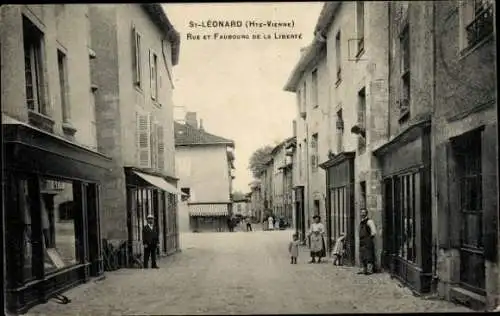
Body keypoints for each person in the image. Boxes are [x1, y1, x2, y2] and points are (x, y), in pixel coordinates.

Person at [358, 208, 377, 275]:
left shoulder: (369, 221)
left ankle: (369, 270)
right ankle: (363, 269)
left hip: (368, 240)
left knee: (369, 255)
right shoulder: (361, 221)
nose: (362, 214)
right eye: (361, 212)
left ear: (366, 213)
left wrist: (369, 238)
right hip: (362, 241)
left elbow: (374, 232)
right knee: (362, 255)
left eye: (364, 212)